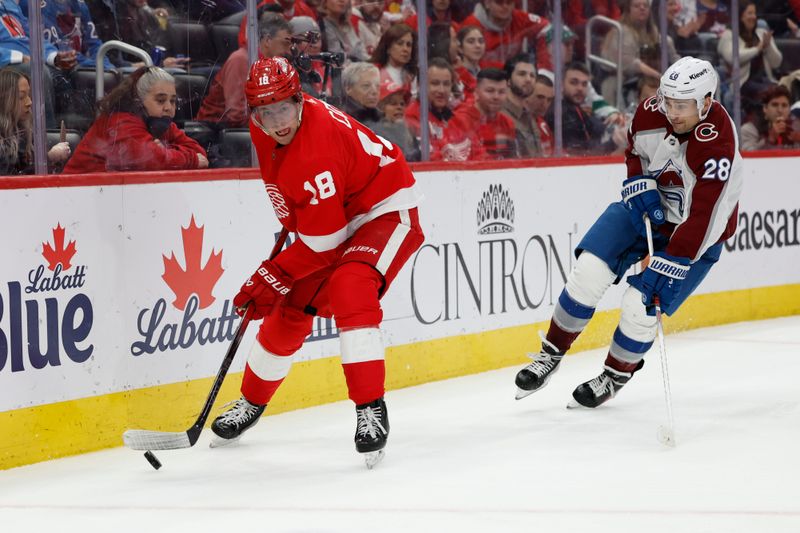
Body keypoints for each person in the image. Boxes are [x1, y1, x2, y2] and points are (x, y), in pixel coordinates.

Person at [210, 57, 424, 466]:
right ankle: (250, 403)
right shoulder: (265, 129)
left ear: (300, 100)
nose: (277, 122)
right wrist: (280, 272)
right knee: (291, 305)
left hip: (382, 210)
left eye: (284, 108)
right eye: (266, 112)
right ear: (253, 113)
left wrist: (273, 273)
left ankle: (370, 409)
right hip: (335, 216)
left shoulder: (316, 145)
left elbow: (322, 244)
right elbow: (297, 201)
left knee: (350, 288)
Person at [514, 57, 743, 408]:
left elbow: (705, 216)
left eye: (682, 106)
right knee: (588, 271)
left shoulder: (718, 144)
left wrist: (673, 261)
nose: (672, 112)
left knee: (639, 306)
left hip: (696, 238)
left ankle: (615, 374)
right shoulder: (652, 111)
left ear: (707, 102)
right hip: (643, 214)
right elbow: (634, 150)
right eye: (668, 102)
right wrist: (638, 180)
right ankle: (551, 352)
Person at [63, 66, 207, 173]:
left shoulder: (160, 122)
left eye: (173, 101)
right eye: (161, 100)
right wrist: (189, 159)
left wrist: (166, 151)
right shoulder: (120, 121)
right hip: (76, 197)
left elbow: (199, 152)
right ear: (139, 100)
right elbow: (149, 159)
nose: (169, 107)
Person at [195, 13, 292, 128]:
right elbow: (236, 116)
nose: (289, 50)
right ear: (267, 41)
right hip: (217, 133)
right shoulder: (241, 60)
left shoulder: (273, 65)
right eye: (285, 43)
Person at [600, 0, 679, 108]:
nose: (642, 8)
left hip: (645, 78)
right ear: (628, 10)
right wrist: (658, 75)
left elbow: (666, 44)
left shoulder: (651, 30)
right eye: (637, 6)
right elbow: (630, 63)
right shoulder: (620, 31)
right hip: (619, 77)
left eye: (645, 6)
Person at [405, 58, 486, 161]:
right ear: (420, 85)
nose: (441, 90)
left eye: (446, 84)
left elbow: (481, 154)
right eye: (435, 83)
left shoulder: (458, 121)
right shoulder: (412, 117)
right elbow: (430, 160)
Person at [718, 1, 783, 115]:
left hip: (764, 79)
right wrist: (757, 49)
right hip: (742, 82)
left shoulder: (761, 33)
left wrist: (768, 47)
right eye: (750, 13)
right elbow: (733, 57)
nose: (753, 17)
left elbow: (777, 63)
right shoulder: (729, 35)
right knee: (770, 93)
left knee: (780, 91)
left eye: (754, 13)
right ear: (740, 16)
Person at [547, 61, 626, 156]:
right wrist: (613, 142)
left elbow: (596, 126)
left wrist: (614, 121)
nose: (580, 88)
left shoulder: (577, 108)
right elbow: (579, 151)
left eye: (584, 84)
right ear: (561, 85)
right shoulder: (560, 112)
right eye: (574, 83)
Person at [0, 69, 70, 175]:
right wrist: (49, 158)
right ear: (4, 101)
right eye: (21, 97)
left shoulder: (25, 132)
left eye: (29, 95)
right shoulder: (4, 141)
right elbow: (12, 182)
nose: (29, 102)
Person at [461, 0, 551, 71]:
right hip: (481, 79)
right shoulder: (471, 25)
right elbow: (463, 61)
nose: (505, 6)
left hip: (511, 78)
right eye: (499, 2)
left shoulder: (519, 17)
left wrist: (543, 68)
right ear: (487, 3)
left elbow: (549, 27)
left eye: (509, 2)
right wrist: (508, 69)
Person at [454, 67, 518, 159]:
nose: (496, 96)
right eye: (490, 91)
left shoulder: (508, 123)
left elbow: (513, 161)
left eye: (501, 92)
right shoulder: (461, 120)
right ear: (476, 92)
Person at [502, 53, 541, 158]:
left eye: (532, 75)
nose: (528, 79)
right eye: (522, 74)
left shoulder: (529, 117)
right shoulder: (499, 116)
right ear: (508, 80)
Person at [740, 84, 800, 150]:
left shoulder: (797, 127)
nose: (780, 110)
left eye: (784, 105)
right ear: (765, 108)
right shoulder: (749, 130)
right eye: (775, 105)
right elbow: (748, 157)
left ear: (789, 109)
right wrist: (770, 139)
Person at [370, 23, 417, 90]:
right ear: (388, 48)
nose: (405, 49)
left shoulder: (414, 75)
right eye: (400, 43)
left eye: (409, 45)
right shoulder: (375, 74)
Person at [528, 73, 553, 155]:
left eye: (549, 100)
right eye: (540, 97)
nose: (545, 104)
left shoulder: (543, 124)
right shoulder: (517, 124)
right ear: (527, 95)